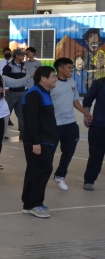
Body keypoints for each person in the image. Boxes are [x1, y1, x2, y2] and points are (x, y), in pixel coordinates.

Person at [20, 66, 59, 218]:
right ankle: (35, 204)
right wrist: (36, 142)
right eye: (53, 76)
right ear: (43, 78)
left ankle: (29, 203)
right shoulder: (34, 94)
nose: (55, 79)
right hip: (38, 141)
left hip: (45, 139)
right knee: (41, 171)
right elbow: (31, 120)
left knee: (34, 171)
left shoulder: (43, 92)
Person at [50, 58, 90, 191]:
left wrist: (86, 113)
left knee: (69, 151)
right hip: (54, 124)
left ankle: (60, 175)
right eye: (69, 68)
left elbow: (75, 100)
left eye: (71, 68)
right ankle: (42, 175)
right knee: (48, 153)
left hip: (70, 123)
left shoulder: (72, 82)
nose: (71, 70)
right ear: (60, 69)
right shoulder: (51, 83)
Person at [81, 74, 105, 191]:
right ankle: (89, 180)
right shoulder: (99, 83)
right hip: (99, 125)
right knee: (96, 154)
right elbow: (88, 100)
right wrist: (87, 116)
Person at [2, 48, 28, 138]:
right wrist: (6, 89)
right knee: (5, 113)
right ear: (16, 56)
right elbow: (3, 79)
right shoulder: (9, 67)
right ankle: (1, 133)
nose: (24, 57)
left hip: (22, 93)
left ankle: (23, 133)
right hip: (11, 94)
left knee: (22, 114)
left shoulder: (24, 66)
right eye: (22, 55)